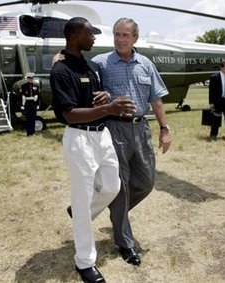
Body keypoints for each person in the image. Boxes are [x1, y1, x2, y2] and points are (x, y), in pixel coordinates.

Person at [50, 17, 136, 283]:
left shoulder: (90, 66)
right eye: (90, 33)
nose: (95, 38)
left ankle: (79, 212)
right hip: (79, 139)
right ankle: (85, 263)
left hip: (102, 135)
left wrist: (106, 98)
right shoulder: (60, 70)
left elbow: (95, 98)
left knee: (112, 187)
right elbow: (70, 114)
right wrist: (108, 109)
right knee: (83, 195)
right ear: (76, 35)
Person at [91, 17, 172, 267]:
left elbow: (156, 98)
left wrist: (164, 128)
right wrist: (61, 58)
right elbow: (82, 86)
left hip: (141, 128)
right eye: (117, 34)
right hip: (114, 128)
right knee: (122, 185)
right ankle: (125, 243)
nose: (119, 39)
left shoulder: (146, 64)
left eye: (125, 35)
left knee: (146, 181)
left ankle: (116, 212)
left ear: (135, 38)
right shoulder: (100, 63)